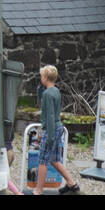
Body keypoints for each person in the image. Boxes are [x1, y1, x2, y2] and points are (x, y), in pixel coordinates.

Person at [33, 64, 79, 194]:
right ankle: (72, 183)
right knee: (54, 159)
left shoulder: (48, 94)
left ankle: (38, 189)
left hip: (52, 128)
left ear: (46, 77)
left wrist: (49, 135)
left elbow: (50, 115)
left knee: (43, 159)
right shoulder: (56, 91)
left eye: (42, 76)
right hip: (59, 127)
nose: (40, 78)